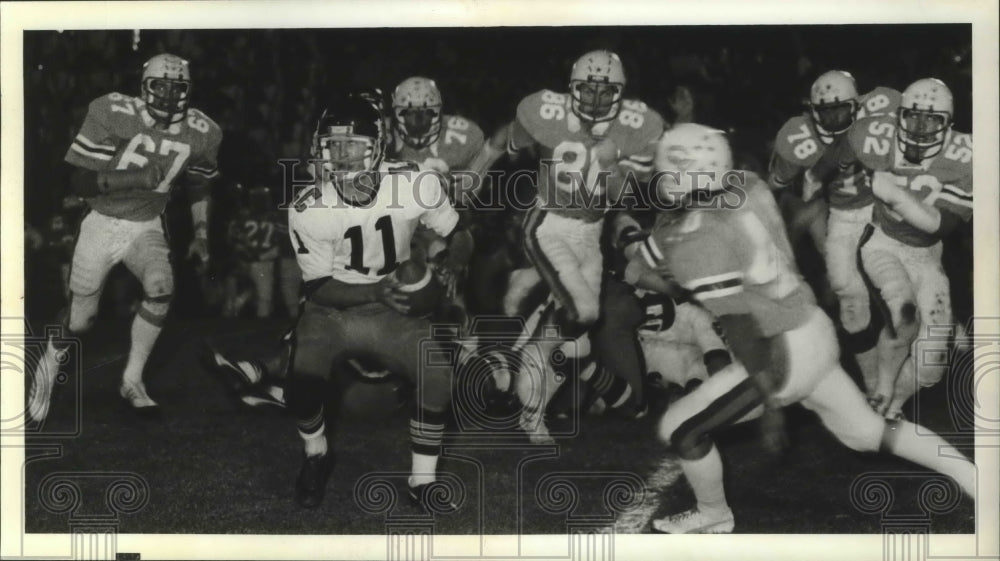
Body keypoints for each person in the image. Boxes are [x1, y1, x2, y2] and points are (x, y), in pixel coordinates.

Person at [630, 123, 974, 534]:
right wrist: (640, 251)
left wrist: (771, 405)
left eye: (667, 170)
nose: (658, 178)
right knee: (865, 432)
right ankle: (976, 478)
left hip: (780, 351)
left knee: (681, 430)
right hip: (813, 328)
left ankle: (715, 514)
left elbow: (738, 322)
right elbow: (659, 247)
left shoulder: (696, 242)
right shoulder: (747, 185)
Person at [279, 94, 472, 509]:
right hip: (332, 310)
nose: (342, 155)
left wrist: (454, 263)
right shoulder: (309, 207)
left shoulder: (414, 182)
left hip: (393, 308)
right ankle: (315, 454)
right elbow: (318, 288)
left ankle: (422, 481)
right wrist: (374, 291)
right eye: (333, 145)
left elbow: (460, 234)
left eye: (353, 145)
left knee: (437, 373)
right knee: (302, 385)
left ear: (378, 146)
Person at [474, 49, 665, 443]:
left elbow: (622, 196)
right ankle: (529, 350)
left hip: (591, 232)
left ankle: (532, 408)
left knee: (578, 337)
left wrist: (612, 166)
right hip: (548, 224)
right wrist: (475, 173)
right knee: (581, 313)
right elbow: (501, 139)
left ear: (620, 93)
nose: (594, 100)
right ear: (571, 89)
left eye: (604, 92)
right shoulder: (543, 111)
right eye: (586, 91)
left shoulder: (639, 124)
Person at [28, 53, 221, 420]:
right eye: (159, 85)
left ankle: (132, 379)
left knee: (161, 286)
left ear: (187, 90)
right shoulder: (112, 111)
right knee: (81, 320)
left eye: (176, 87)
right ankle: (49, 365)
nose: (167, 94)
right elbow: (79, 180)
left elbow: (198, 183)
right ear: (144, 86)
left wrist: (201, 233)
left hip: (146, 224)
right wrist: (131, 178)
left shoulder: (203, 130)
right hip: (102, 221)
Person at [842, 78, 972, 420]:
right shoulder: (873, 134)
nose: (920, 127)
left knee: (932, 366)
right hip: (882, 243)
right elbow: (842, 145)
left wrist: (895, 194)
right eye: (913, 116)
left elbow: (941, 226)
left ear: (949, 125)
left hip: (928, 256)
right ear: (899, 114)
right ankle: (882, 391)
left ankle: (892, 401)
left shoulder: (964, 156)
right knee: (904, 315)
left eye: (932, 120)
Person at [768, 70, 901, 392]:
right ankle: (873, 385)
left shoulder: (884, 103)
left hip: (888, 205)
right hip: (840, 212)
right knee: (850, 299)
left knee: (901, 279)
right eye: (825, 111)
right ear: (812, 110)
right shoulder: (796, 136)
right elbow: (779, 186)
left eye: (841, 109)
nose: (834, 118)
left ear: (858, 104)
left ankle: (940, 328)